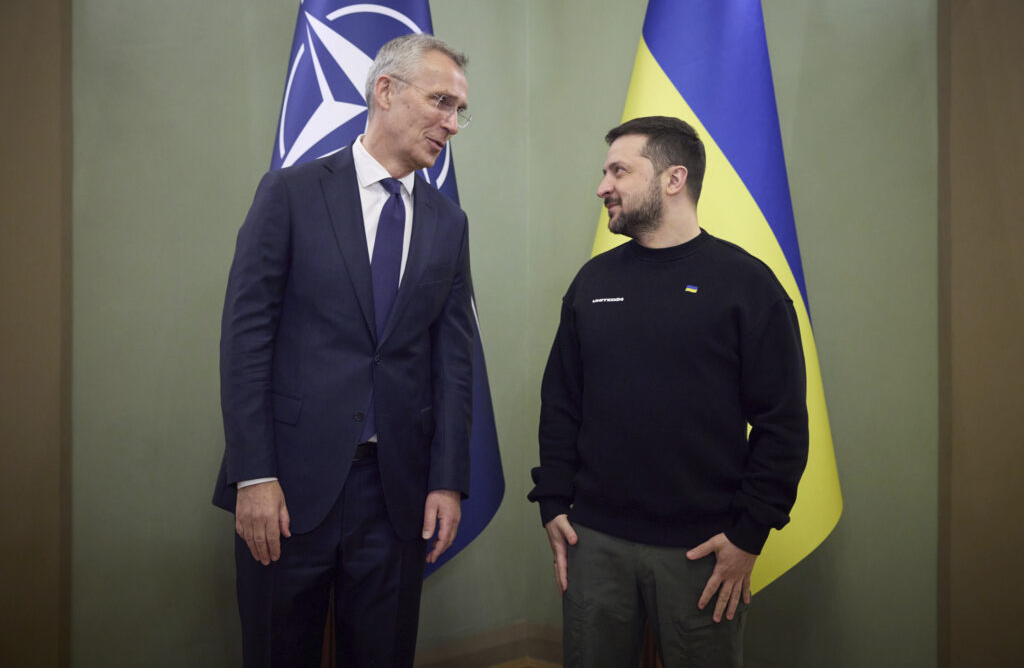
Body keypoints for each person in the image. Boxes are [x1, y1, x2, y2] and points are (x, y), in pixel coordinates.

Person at [213, 33, 475, 667]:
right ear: (385, 91)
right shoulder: (291, 194)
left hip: (397, 493)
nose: (452, 124)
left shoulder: (447, 220)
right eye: (441, 101)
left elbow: (454, 357)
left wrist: (448, 480)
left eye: (461, 109)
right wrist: (255, 474)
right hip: (288, 489)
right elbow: (246, 340)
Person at [528, 116, 808, 667]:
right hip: (594, 542)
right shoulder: (593, 282)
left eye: (618, 171)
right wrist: (554, 501)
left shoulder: (747, 285)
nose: (602, 186)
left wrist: (749, 533)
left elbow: (783, 425)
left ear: (673, 179)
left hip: (702, 551)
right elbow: (561, 401)